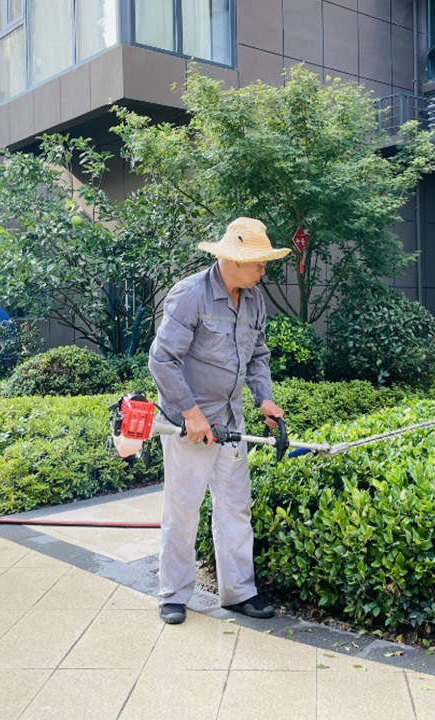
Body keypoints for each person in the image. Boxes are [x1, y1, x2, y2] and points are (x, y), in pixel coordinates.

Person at [149, 216, 290, 625]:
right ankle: (173, 594)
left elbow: (258, 355)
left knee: (234, 508)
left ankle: (239, 592)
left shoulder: (254, 298)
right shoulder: (190, 295)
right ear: (233, 259)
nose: (264, 270)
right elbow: (162, 360)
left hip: (232, 421)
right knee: (183, 509)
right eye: (258, 262)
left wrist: (264, 399)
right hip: (190, 423)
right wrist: (191, 414)